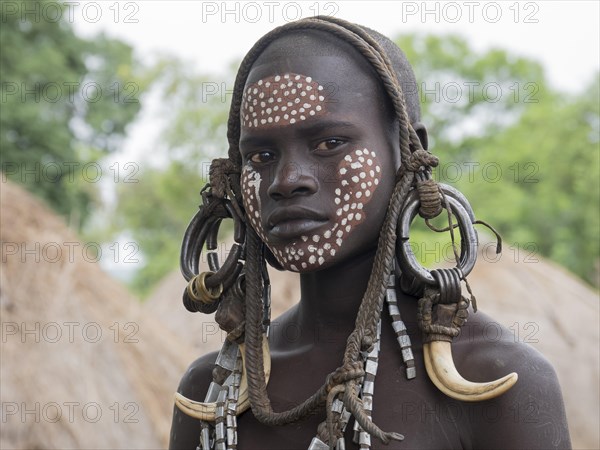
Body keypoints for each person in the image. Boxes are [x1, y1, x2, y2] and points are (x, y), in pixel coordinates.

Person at [169, 16, 571, 450]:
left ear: (408, 150)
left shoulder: (494, 378)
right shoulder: (209, 396)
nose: (285, 180)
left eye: (329, 143)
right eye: (261, 155)